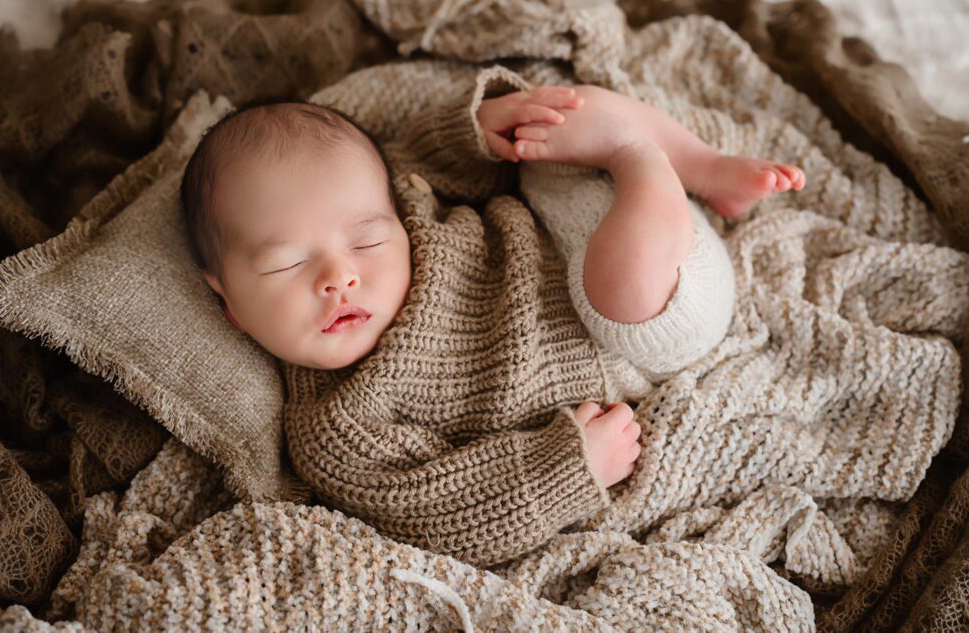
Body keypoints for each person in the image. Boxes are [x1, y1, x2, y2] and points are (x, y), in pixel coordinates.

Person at [178, 73, 804, 564]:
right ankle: (649, 164)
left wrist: (481, 129)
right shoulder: (339, 426)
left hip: (562, 225)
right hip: (633, 324)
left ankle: (701, 165)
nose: (339, 277)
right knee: (623, 281)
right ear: (226, 298)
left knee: (549, 119)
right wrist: (569, 465)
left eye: (367, 241)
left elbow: (424, 159)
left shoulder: (401, 204)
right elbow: (439, 510)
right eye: (287, 264)